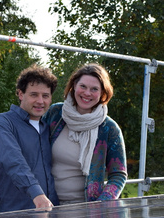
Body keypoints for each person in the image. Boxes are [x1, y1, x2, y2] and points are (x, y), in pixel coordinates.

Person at [42, 63, 127, 204]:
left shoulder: (109, 128)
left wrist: (101, 205)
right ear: (74, 85)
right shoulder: (55, 114)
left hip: (87, 209)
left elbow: (118, 175)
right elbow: (35, 152)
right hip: (47, 204)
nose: (87, 93)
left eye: (94, 89)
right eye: (83, 86)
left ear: (102, 93)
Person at [0, 64, 59, 212]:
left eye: (45, 96)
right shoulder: (2, 122)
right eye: (34, 95)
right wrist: (37, 194)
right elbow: (13, 161)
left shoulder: (49, 127)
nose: (40, 101)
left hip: (52, 212)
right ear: (21, 94)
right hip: (17, 215)